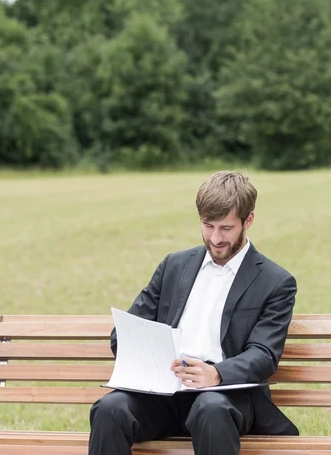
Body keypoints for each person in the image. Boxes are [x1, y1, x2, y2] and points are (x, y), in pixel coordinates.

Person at [89, 170, 298, 455]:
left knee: (210, 409)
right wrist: (147, 356)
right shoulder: (174, 266)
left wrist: (215, 374)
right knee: (110, 408)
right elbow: (124, 334)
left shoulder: (275, 282)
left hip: (227, 397)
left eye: (226, 228)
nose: (215, 238)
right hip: (165, 394)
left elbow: (263, 354)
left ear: (248, 220)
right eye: (207, 225)